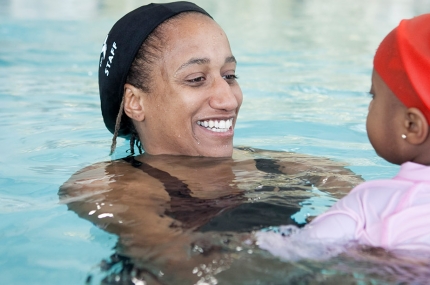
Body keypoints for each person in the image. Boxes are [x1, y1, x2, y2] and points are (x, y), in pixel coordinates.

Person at [60, 1, 362, 283]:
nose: (228, 99)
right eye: (196, 79)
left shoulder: (282, 165)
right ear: (136, 102)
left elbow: (378, 206)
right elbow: (182, 267)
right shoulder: (108, 186)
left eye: (229, 75)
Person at [257, 13, 430, 260]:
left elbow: (294, 251)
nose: (370, 107)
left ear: (412, 126)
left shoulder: (369, 203)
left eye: (374, 97)